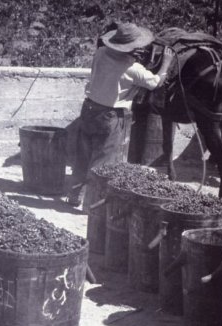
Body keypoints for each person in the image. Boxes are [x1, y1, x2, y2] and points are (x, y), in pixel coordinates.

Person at [67, 22, 175, 207]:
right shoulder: (133, 69)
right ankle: (91, 206)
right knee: (104, 161)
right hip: (111, 116)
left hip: (89, 108)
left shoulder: (100, 54)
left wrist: (129, 55)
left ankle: (74, 195)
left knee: (83, 155)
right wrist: (165, 63)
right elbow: (156, 82)